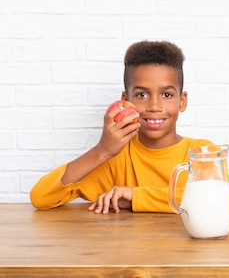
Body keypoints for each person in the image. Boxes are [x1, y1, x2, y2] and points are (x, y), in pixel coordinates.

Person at [30, 40, 213, 214]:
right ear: (126, 101)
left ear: (182, 101)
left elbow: (209, 199)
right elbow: (41, 197)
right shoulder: (115, 158)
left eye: (166, 94)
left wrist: (134, 196)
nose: (154, 106)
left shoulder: (202, 152)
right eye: (142, 95)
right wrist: (103, 150)